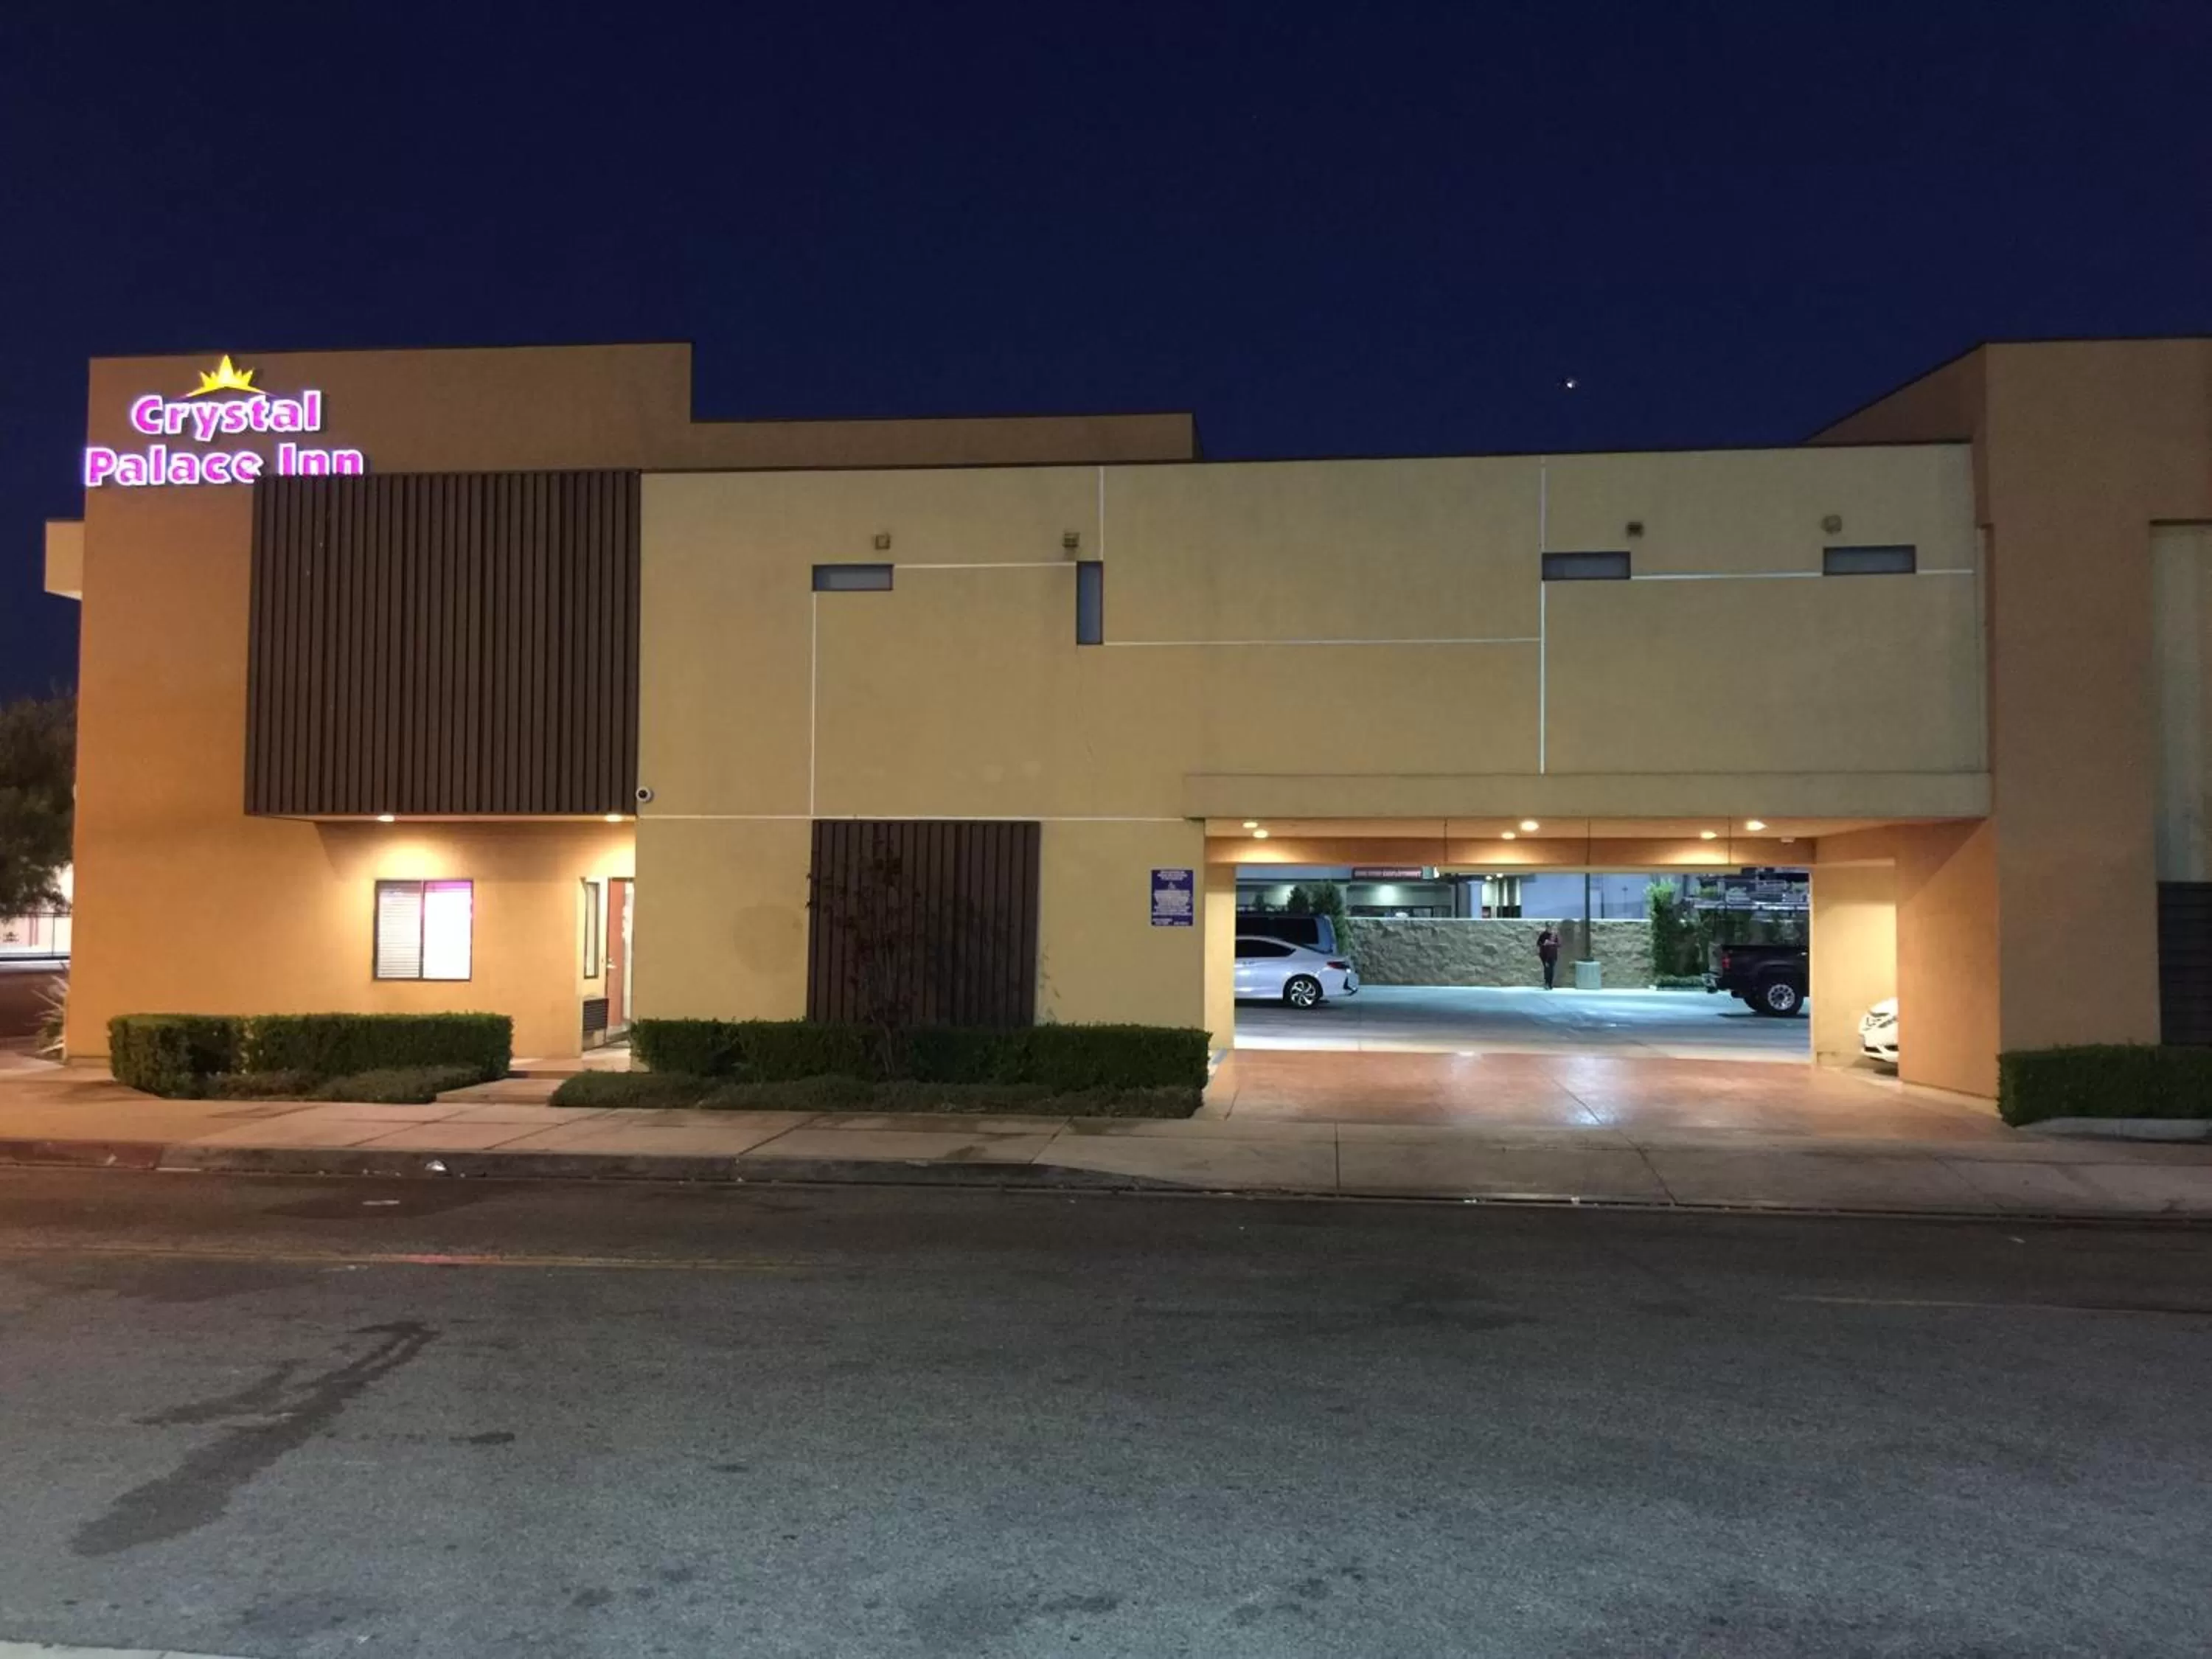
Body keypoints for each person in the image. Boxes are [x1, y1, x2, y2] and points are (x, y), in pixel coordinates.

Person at [1537, 926, 1561, 990]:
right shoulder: (1543, 935)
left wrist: (1552, 943)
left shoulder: (1554, 936)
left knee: (1551, 969)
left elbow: (1559, 944)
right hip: (1545, 956)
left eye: (1551, 928)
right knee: (1547, 969)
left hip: (1553, 956)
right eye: (1548, 928)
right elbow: (1539, 943)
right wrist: (1544, 944)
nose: (1550, 929)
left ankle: (1550, 984)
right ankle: (1547, 983)